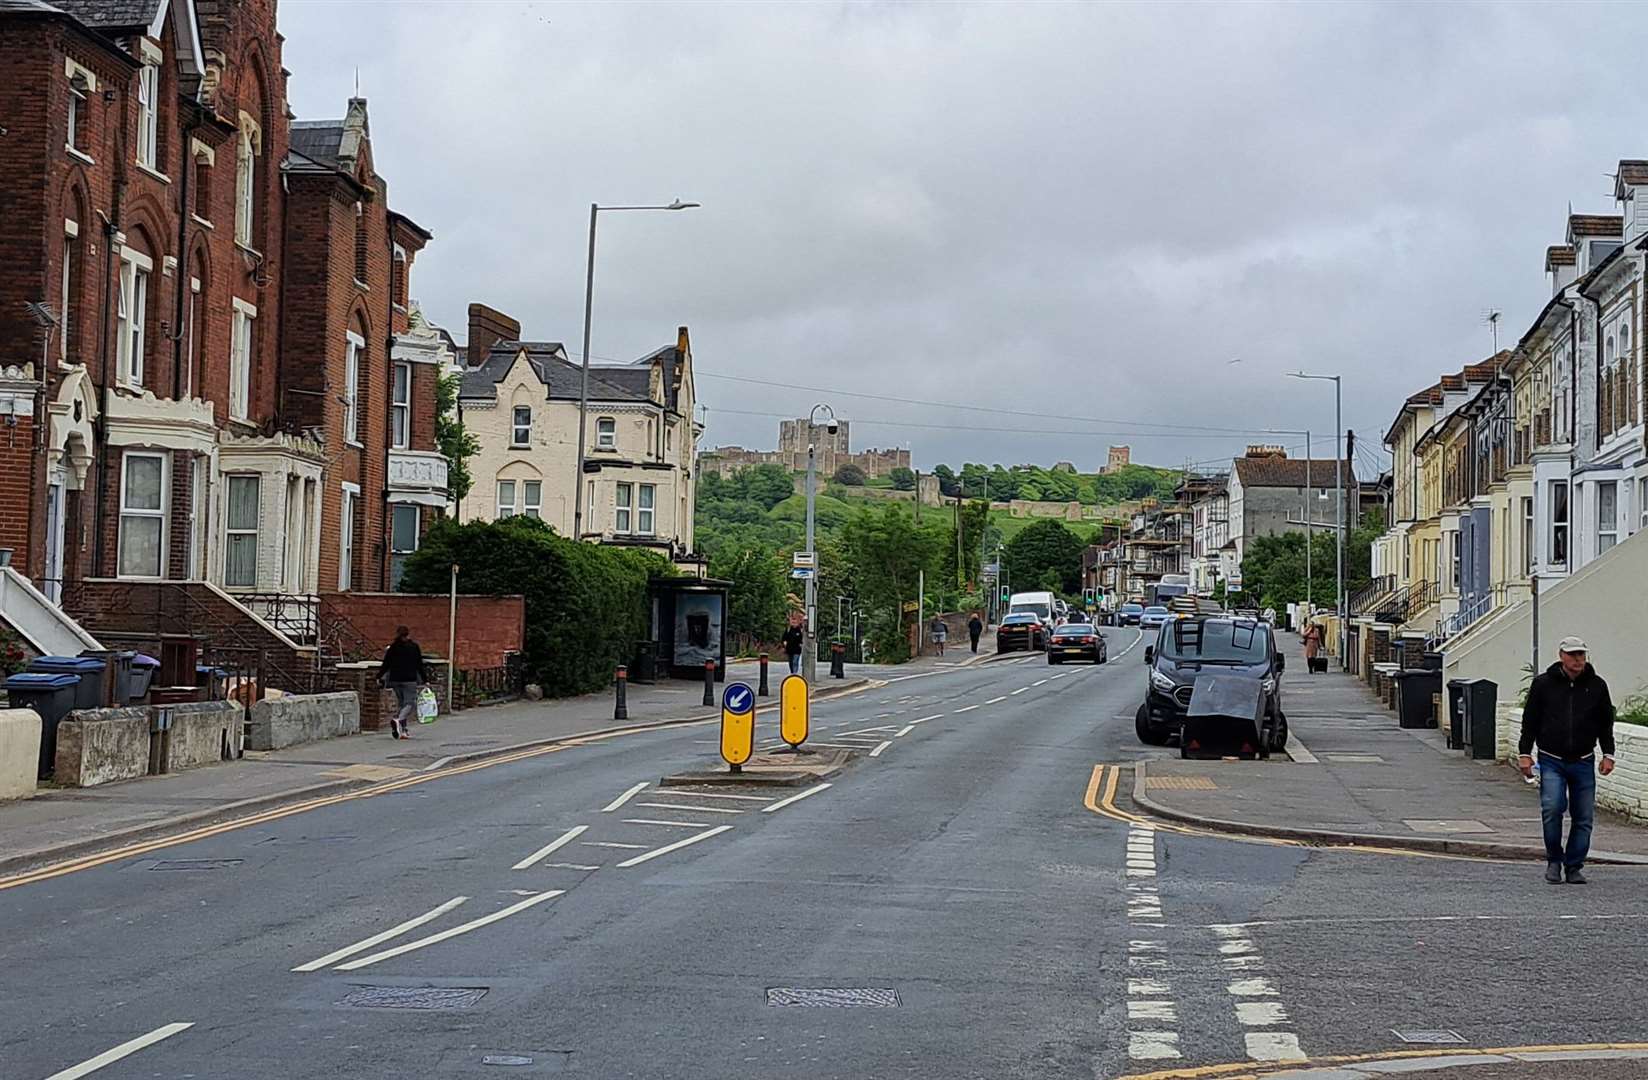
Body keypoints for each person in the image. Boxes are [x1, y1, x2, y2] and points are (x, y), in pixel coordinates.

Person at [1519, 636, 1616, 885]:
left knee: (1583, 817)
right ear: (1561, 655)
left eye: (1581, 655)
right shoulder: (1543, 684)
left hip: (1583, 759)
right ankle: (1554, 860)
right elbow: (1530, 721)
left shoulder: (1597, 686)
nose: (1578, 660)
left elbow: (1606, 723)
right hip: (1551, 758)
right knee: (1552, 808)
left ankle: (1574, 866)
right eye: (1573, 655)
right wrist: (1525, 753)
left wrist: (1608, 754)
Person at [379, 625, 426, 740]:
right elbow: (419, 664)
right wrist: (425, 679)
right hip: (409, 679)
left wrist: (379, 676)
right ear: (408, 634)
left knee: (402, 704)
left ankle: (403, 730)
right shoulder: (413, 647)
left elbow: (386, 663)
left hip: (395, 680)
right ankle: (398, 720)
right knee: (410, 703)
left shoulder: (393, 647)